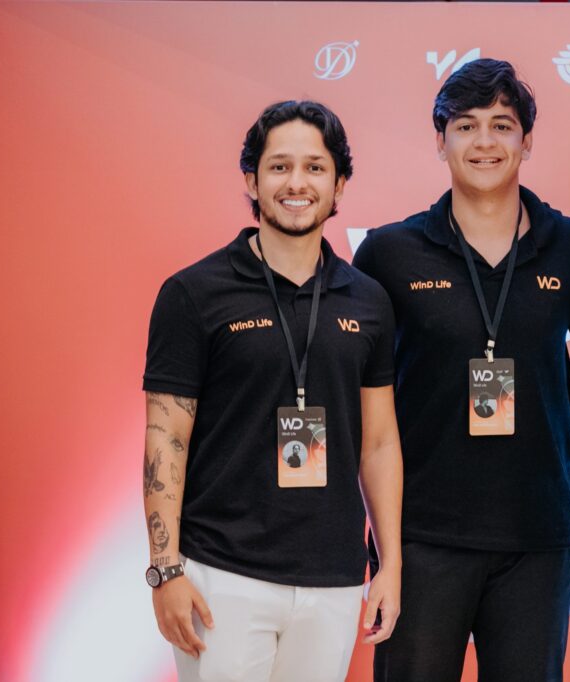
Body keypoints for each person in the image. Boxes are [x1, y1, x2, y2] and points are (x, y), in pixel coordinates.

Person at [352, 58, 570, 682]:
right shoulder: (389, 252)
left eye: (502, 125)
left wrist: (549, 400)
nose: (484, 141)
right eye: (465, 126)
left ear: (527, 140)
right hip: (421, 536)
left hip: (536, 537)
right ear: (440, 142)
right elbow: (363, 393)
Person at [142, 100, 403, 682]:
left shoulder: (369, 301)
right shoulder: (194, 293)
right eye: (279, 166)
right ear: (251, 181)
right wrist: (165, 569)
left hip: (334, 578)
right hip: (222, 572)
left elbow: (380, 441)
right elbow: (166, 437)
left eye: (315, 167)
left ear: (340, 185)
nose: (297, 183)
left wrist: (390, 564)